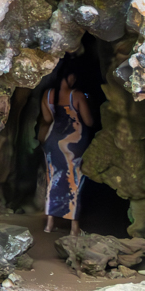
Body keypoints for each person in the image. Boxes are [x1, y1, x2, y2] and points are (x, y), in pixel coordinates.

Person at [40, 64, 95, 235]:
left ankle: (49, 224)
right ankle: (74, 227)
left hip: (53, 142)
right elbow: (88, 121)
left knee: (53, 180)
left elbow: (47, 118)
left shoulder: (47, 94)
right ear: (69, 77)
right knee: (74, 181)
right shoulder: (76, 95)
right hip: (74, 144)